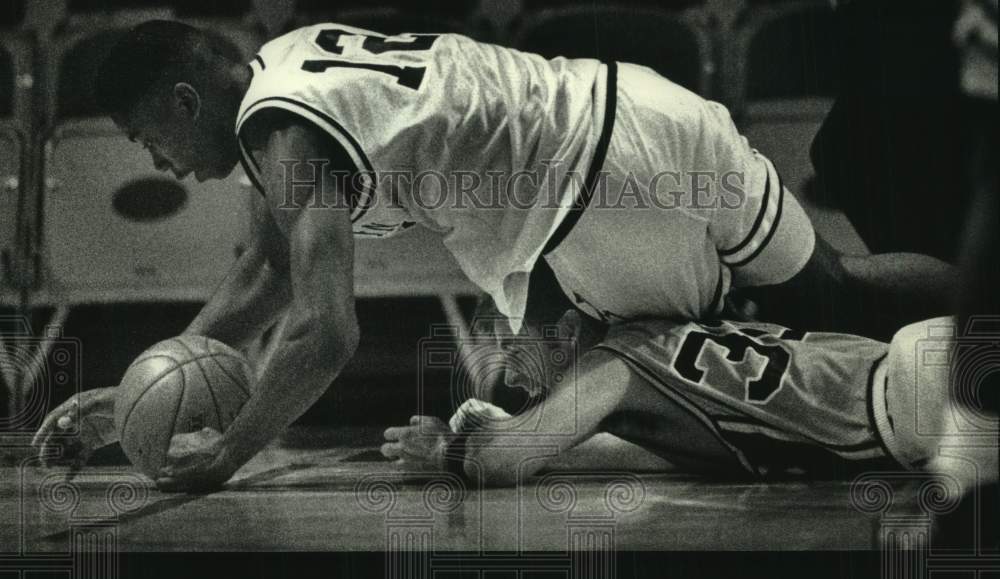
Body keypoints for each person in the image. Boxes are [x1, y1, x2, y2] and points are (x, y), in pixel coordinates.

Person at [33, 19, 956, 491]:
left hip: (594, 198)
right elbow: (270, 272)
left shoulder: (279, 133)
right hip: (643, 108)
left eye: (144, 133)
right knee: (836, 289)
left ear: (187, 100)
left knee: (647, 379)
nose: (154, 159)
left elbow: (322, 329)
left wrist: (228, 451)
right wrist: (133, 398)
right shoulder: (286, 62)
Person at [382, 301, 998, 489]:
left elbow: (501, 463)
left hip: (918, 397)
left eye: (507, 344)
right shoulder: (641, 366)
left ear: (562, 328)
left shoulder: (613, 362)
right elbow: (621, 455)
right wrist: (501, 432)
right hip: (918, 379)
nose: (511, 376)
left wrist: (447, 450)